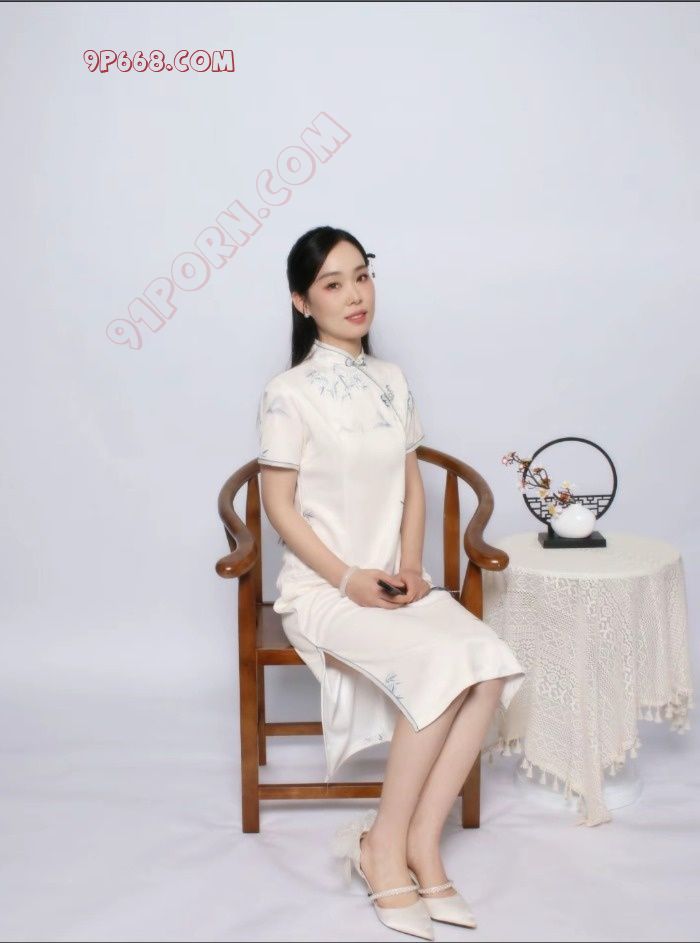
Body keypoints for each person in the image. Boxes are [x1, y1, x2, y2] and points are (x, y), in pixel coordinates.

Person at [256, 226, 526, 940]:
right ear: (302, 302)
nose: (355, 295)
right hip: (324, 590)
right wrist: (347, 577)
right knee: (441, 666)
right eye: (333, 283)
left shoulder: (393, 379)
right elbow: (279, 507)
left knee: (489, 664)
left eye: (362, 275)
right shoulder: (288, 393)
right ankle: (382, 847)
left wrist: (410, 567)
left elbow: (410, 484)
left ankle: (419, 843)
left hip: (395, 582)